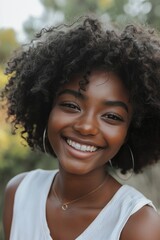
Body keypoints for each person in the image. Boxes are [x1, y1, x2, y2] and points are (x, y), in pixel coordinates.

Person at [1, 16, 160, 240]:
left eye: (112, 116)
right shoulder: (19, 192)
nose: (86, 127)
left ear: (130, 131)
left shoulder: (138, 225)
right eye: (71, 105)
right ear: (47, 107)